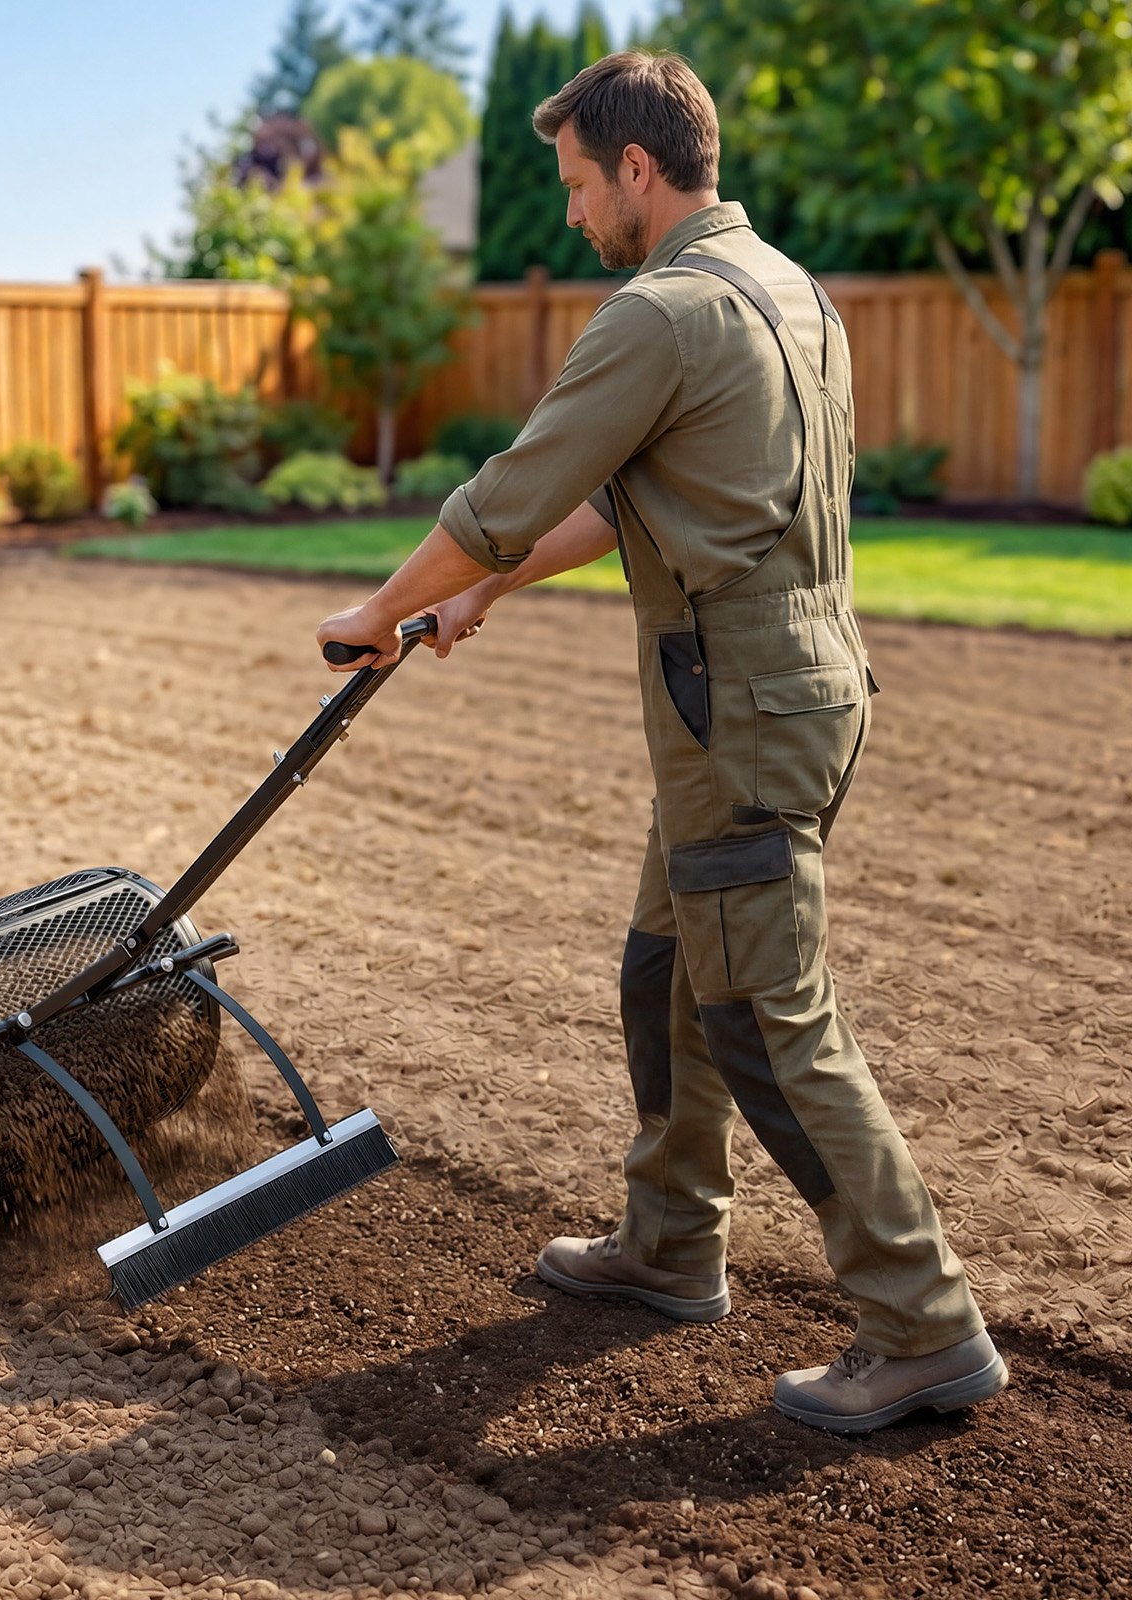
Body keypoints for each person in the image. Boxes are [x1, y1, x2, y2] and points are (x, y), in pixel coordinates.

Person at [314, 49, 1008, 1435]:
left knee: (760, 1009)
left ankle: (924, 1324)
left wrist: (387, 608)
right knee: (668, 969)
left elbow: (513, 487)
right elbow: (638, 501)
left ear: (638, 168)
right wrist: (483, 597)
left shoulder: (663, 310)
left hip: (739, 706)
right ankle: (672, 1243)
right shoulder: (790, 292)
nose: (571, 216)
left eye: (578, 185)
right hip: (788, 691)